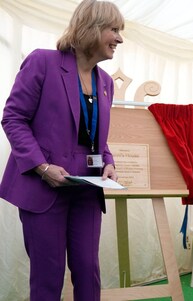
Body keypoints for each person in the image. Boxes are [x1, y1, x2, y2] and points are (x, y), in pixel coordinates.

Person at [0, 1, 123, 300]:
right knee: (47, 276)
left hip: (87, 190)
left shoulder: (106, 82)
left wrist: (108, 161)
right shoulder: (42, 62)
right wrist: (42, 167)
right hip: (44, 187)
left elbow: (95, 136)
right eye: (114, 29)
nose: (119, 39)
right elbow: (13, 118)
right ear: (92, 28)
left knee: (88, 270)